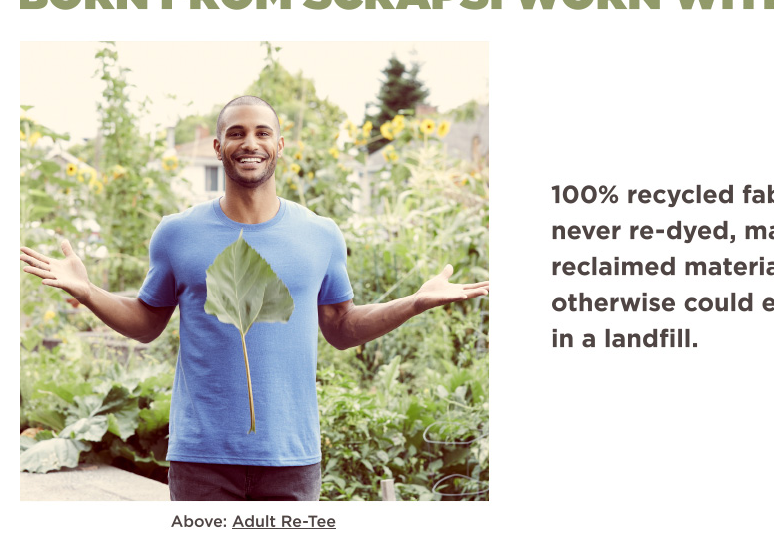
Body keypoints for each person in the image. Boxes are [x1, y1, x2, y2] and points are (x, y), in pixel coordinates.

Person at [19, 95, 489, 501]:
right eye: (237, 132)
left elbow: (342, 329)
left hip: (291, 456)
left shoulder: (320, 234)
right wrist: (89, 290)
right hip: (202, 459)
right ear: (219, 146)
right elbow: (146, 322)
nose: (250, 142)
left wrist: (414, 302)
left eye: (263, 132)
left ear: (279, 146)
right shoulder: (177, 233)